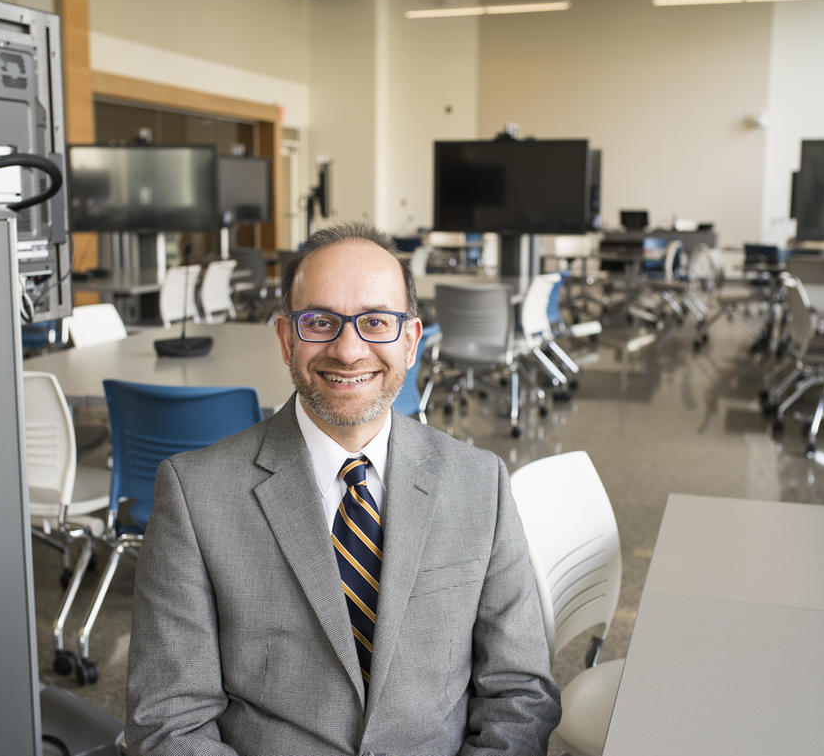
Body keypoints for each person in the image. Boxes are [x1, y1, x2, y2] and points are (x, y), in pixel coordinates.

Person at [126, 223, 561, 755]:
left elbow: (519, 692)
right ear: (287, 338)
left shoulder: (480, 483)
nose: (349, 350)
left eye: (375, 321)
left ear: (410, 340)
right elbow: (170, 722)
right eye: (320, 322)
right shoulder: (195, 495)